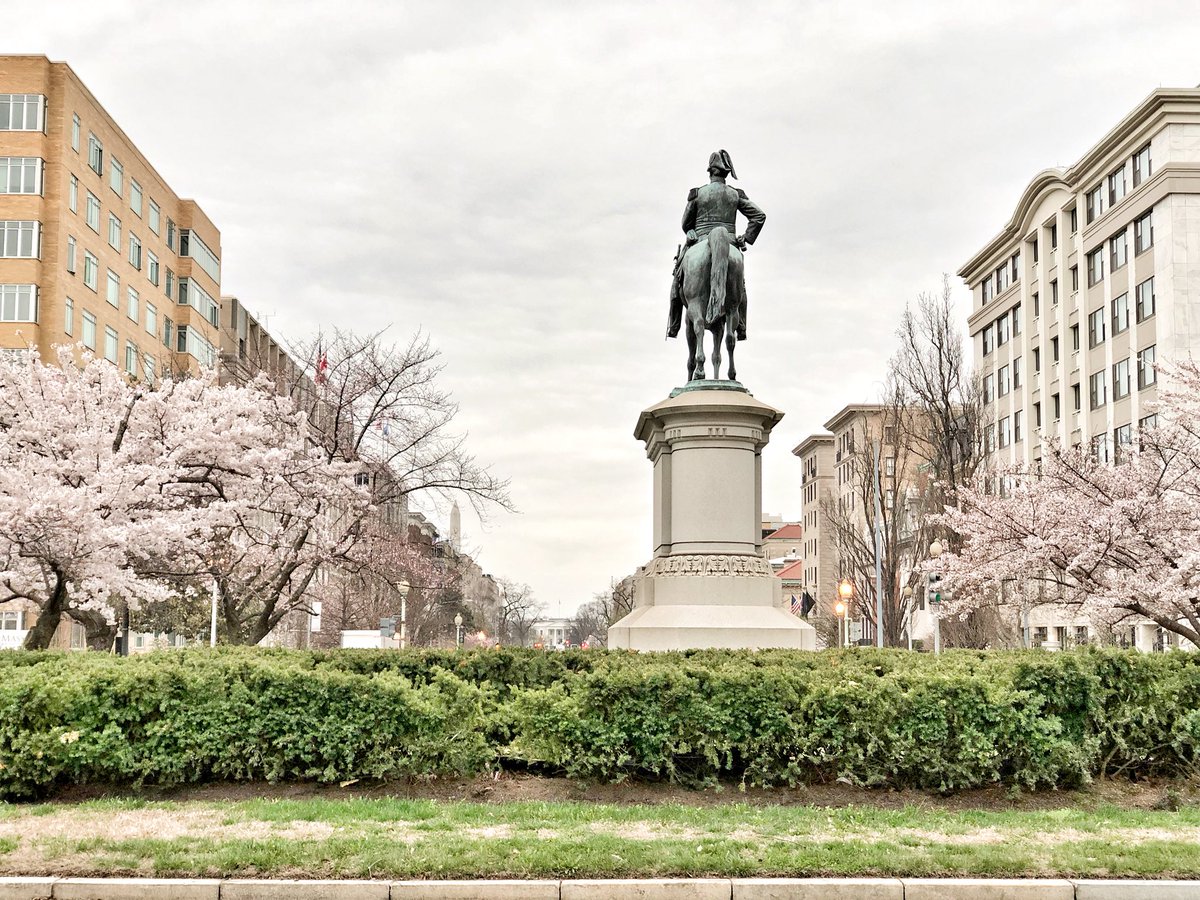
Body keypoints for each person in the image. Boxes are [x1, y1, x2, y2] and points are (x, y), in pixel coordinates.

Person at [666, 150, 766, 342]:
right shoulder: (735, 194)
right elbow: (759, 216)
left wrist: (690, 231)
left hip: (699, 240)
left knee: (677, 281)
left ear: (710, 171)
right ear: (727, 173)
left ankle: (674, 324)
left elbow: (685, 223)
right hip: (729, 243)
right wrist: (745, 238)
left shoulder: (698, 193)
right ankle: (741, 325)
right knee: (740, 286)